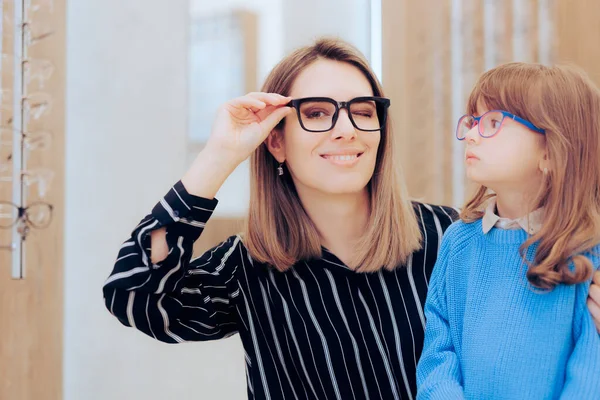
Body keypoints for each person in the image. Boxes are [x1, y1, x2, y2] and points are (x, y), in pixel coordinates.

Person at [103, 39, 600, 400]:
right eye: (317, 113)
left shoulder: (444, 235)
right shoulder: (245, 266)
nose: (346, 130)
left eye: (363, 110)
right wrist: (218, 157)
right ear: (275, 140)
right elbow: (133, 296)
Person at [416, 62, 600, 399]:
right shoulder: (458, 242)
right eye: (473, 121)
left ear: (550, 151)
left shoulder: (588, 252)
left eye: (493, 123)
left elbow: (591, 371)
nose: (470, 134)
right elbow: (439, 354)